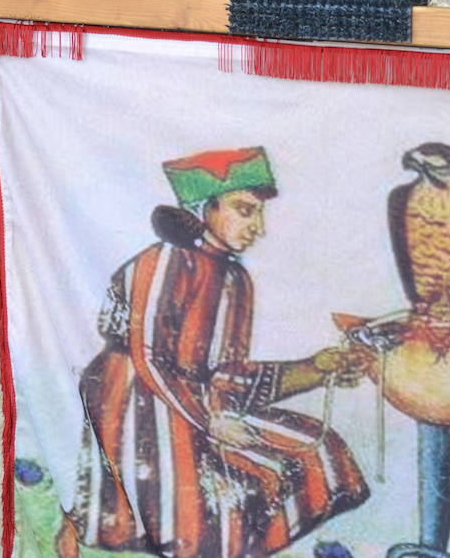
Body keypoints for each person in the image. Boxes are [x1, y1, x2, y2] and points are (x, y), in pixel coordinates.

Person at [57, 147, 371, 558]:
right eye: (245, 211)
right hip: (135, 401)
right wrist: (211, 422)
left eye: (258, 214)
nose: (257, 227)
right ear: (206, 208)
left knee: (316, 448)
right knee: (219, 497)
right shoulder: (167, 260)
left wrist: (315, 369)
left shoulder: (236, 278)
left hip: (197, 404)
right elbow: (148, 356)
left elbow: (228, 374)